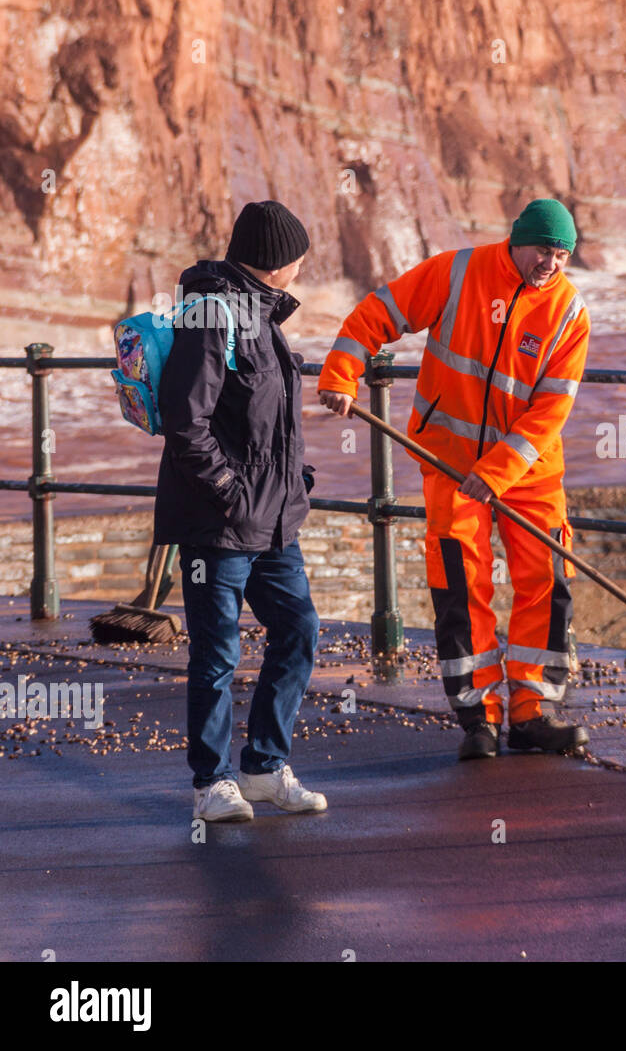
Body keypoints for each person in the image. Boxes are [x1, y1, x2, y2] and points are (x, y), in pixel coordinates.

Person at [318, 199, 591, 761]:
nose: (552, 263)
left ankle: (533, 712)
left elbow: (551, 409)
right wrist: (341, 372)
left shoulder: (569, 311)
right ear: (517, 240)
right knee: (460, 586)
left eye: (562, 254)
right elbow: (379, 313)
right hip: (447, 460)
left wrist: (497, 473)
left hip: (530, 471)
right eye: (544, 249)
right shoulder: (456, 272)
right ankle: (480, 719)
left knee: (544, 576)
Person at [155, 200, 327, 822]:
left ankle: (263, 768)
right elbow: (186, 419)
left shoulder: (262, 314)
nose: (303, 266)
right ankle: (211, 784)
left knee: (298, 629)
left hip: (275, 518)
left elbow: (267, 421)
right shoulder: (213, 313)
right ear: (276, 260)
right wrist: (228, 491)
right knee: (217, 651)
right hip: (220, 523)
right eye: (298, 257)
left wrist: (293, 480)